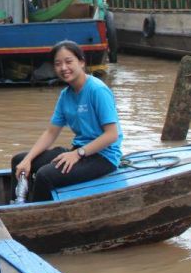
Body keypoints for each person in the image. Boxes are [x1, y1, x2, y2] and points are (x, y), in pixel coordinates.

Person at [11, 40, 123, 203]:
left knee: (45, 175)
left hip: (103, 156)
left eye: (69, 61)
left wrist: (78, 154)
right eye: (58, 64)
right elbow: (51, 132)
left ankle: (36, 215)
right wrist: (28, 159)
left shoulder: (97, 90)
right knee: (18, 161)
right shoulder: (66, 95)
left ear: (82, 62)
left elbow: (112, 135)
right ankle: (16, 205)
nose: (63, 68)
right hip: (78, 150)